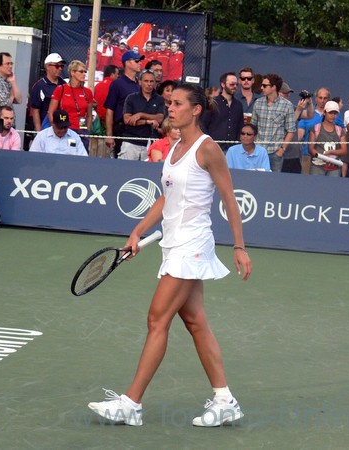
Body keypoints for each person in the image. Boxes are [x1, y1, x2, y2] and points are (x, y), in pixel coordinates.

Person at [87, 83, 252, 428]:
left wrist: (239, 247)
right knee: (195, 322)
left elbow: (229, 200)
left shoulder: (208, 150)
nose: (170, 108)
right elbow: (165, 197)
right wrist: (138, 231)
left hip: (192, 244)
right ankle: (225, 401)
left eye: (177, 103)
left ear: (195, 110)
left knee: (157, 319)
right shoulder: (176, 146)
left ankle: (131, 403)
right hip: (173, 243)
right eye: (169, 103)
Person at [251, 73, 295, 172]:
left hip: (275, 152)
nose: (262, 88)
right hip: (258, 151)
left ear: (273, 87)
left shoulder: (287, 105)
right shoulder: (258, 103)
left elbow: (291, 130)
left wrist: (282, 149)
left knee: (273, 183)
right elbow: (253, 127)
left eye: (265, 86)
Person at [47, 60, 93, 150]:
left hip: (81, 129)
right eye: (81, 71)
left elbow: (89, 115)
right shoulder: (61, 89)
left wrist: (87, 130)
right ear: (72, 72)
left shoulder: (87, 92)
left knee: (80, 157)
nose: (84, 74)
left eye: (85, 72)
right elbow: (51, 112)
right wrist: (56, 128)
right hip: (64, 129)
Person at [119, 69, 165, 160]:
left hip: (151, 143)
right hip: (131, 142)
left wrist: (140, 115)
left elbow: (160, 118)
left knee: (148, 173)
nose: (149, 84)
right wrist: (147, 121)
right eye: (146, 81)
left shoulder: (160, 99)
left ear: (155, 83)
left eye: (152, 81)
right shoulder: (131, 98)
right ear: (140, 82)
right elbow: (128, 120)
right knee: (125, 172)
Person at [104, 50, 143, 156]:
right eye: (137, 61)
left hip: (139, 130)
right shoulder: (117, 84)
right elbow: (110, 110)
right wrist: (109, 135)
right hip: (122, 129)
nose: (140, 63)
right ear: (127, 63)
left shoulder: (139, 85)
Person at [201, 72, 244, 152]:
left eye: (236, 84)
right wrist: (208, 142)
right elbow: (203, 125)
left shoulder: (238, 104)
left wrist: (238, 145)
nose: (235, 86)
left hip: (232, 150)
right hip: (214, 148)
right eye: (232, 84)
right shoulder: (212, 102)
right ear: (223, 84)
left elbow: (240, 126)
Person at [308, 100, 347, 176]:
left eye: (335, 113)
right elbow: (311, 149)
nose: (333, 115)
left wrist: (331, 153)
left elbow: (344, 150)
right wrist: (323, 157)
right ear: (324, 112)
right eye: (330, 113)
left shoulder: (340, 130)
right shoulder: (315, 128)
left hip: (334, 167)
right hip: (317, 166)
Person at [30, 53, 67, 132]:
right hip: (46, 126)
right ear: (48, 66)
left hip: (62, 125)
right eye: (57, 66)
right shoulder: (39, 86)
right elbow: (35, 111)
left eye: (61, 66)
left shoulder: (64, 84)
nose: (60, 69)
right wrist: (39, 131)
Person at [298, 87, 330, 174]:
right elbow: (299, 136)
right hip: (308, 154)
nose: (322, 100)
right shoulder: (306, 115)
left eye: (325, 98)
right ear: (316, 98)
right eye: (320, 98)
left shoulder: (334, 115)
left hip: (328, 156)